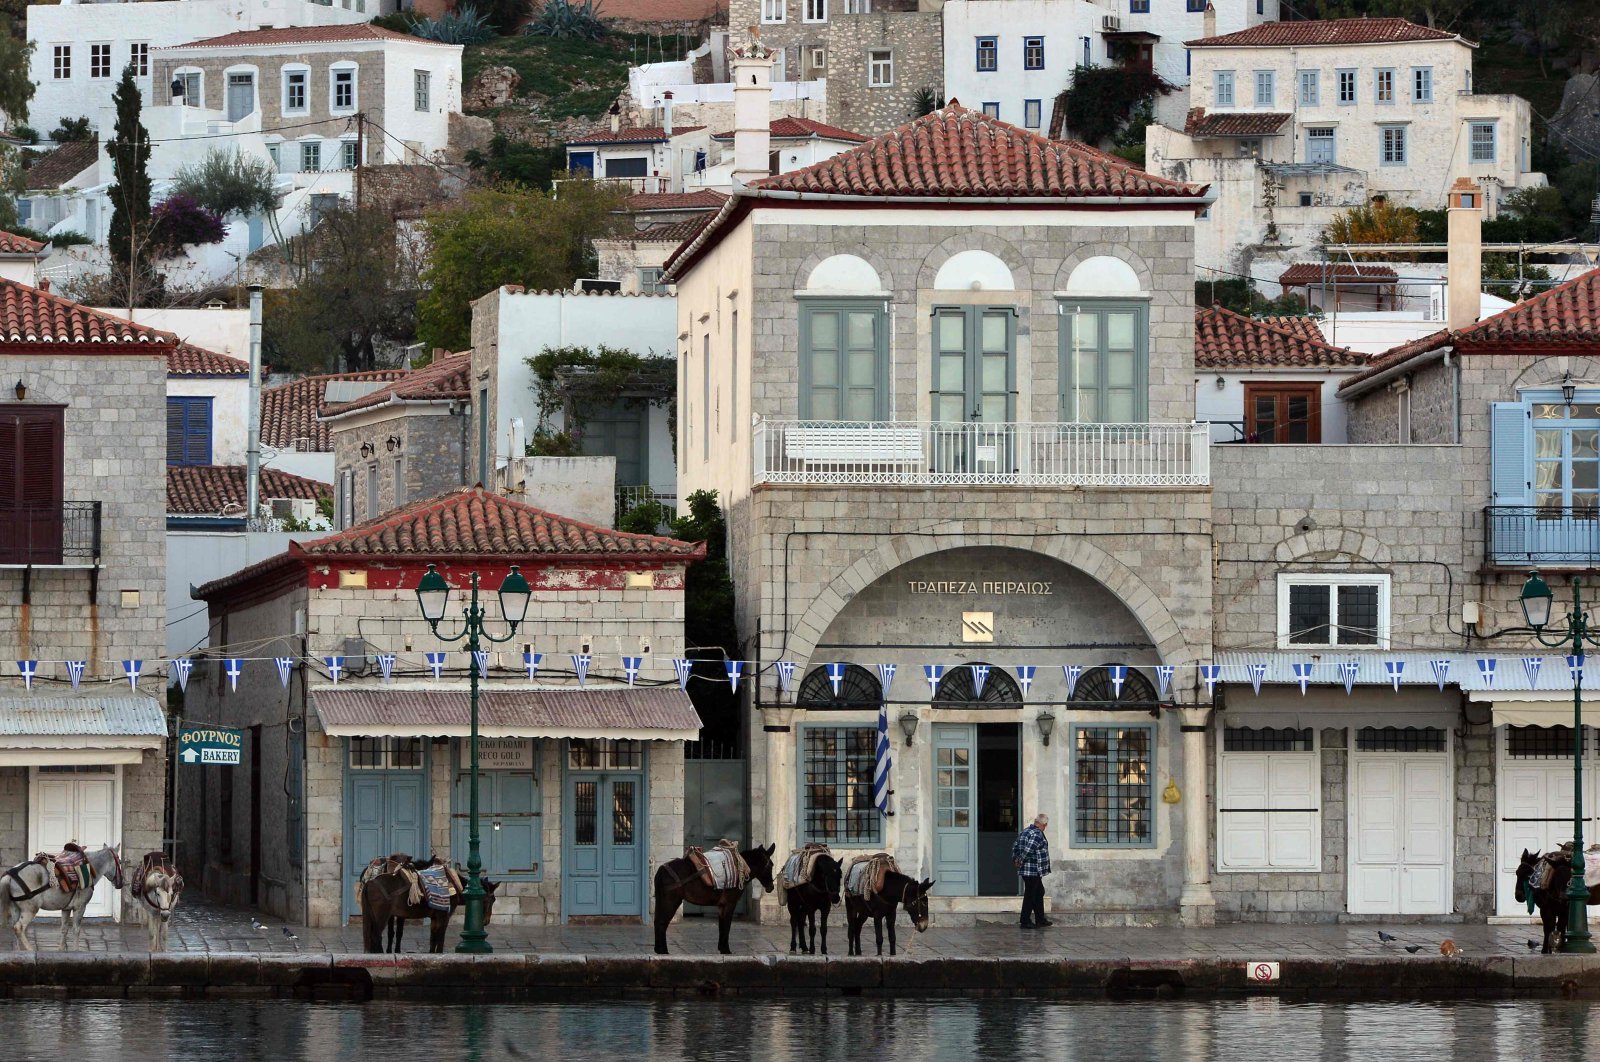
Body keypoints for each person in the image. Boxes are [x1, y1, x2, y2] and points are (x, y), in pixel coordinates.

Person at [1012, 813, 1052, 928]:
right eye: (1045, 825)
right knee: (1031, 894)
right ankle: (1025, 921)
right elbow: (1029, 850)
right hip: (1032, 869)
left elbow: (1015, 846)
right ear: (1043, 824)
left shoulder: (1025, 831)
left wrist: (1015, 858)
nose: (1045, 827)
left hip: (1028, 870)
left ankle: (1040, 919)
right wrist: (1020, 860)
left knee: (1038, 892)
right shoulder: (1037, 834)